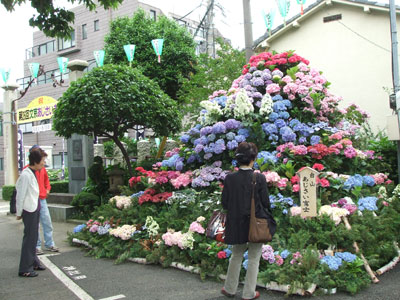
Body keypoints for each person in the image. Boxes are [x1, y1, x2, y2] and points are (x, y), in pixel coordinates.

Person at [221, 142, 272, 300]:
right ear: (253, 159)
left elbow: (225, 202)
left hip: (236, 223)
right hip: (255, 223)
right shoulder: (259, 178)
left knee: (236, 255)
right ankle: (249, 293)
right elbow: (266, 203)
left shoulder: (230, 178)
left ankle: (229, 289)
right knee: (254, 257)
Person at [16, 148, 47, 277]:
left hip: (35, 207)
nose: (44, 163)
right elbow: (20, 194)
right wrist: (18, 212)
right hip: (29, 210)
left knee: (34, 237)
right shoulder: (25, 174)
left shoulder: (33, 172)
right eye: (42, 161)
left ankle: (34, 262)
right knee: (30, 238)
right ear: (35, 161)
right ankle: (25, 268)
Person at [27, 145, 59, 255]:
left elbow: (47, 182)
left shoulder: (43, 169)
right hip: (33, 200)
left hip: (42, 199)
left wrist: (47, 190)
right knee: (35, 224)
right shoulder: (28, 170)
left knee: (47, 221)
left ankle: (50, 243)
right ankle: (37, 246)